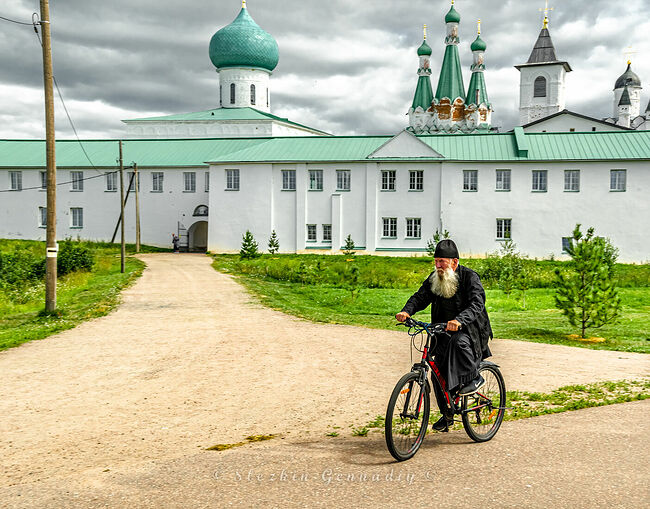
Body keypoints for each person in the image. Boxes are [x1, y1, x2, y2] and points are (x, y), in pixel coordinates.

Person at [395, 239, 493, 432]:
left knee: (458, 343)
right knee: (437, 372)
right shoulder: (435, 278)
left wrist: (459, 320)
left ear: (454, 262)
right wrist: (406, 311)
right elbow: (420, 296)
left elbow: (477, 303)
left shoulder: (470, 277)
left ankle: (474, 378)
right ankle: (447, 414)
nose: (438, 266)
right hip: (442, 330)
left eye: (442, 261)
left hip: (469, 330)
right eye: (436, 261)